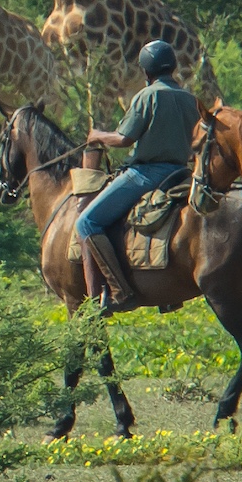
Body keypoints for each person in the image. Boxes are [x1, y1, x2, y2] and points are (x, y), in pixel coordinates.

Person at [76, 40, 200, 315]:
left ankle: (120, 290)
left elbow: (124, 139)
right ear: (174, 66)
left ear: (146, 71)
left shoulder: (148, 96)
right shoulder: (190, 99)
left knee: (87, 221)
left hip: (146, 173)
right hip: (182, 174)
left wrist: (97, 135)